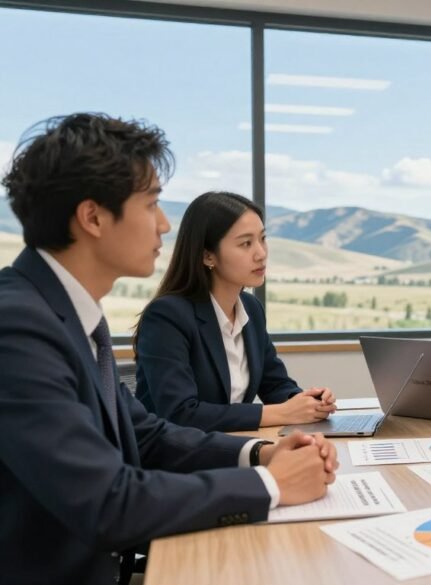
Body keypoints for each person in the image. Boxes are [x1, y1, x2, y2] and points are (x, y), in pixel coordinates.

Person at [0, 113, 338, 584]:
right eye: (152, 204)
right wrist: (271, 484)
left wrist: (261, 455)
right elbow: (106, 502)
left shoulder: (70, 316)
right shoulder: (17, 326)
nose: (163, 225)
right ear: (93, 217)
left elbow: (150, 435)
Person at [133, 192, 336, 432]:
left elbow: (275, 384)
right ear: (208, 255)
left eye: (262, 239)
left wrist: (307, 402)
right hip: (175, 460)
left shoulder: (251, 309)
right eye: (246, 243)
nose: (261, 253)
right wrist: (280, 412)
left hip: (232, 447)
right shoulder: (167, 316)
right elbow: (181, 414)